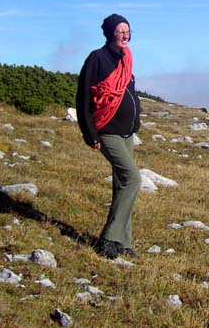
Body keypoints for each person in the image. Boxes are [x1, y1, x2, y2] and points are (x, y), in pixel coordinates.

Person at [76, 14, 142, 260]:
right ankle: (108, 238)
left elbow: (129, 91)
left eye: (127, 30)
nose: (125, 35)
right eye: (120, 30)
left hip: (126, 132)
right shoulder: (97, 58)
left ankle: (124, 242)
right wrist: (89, 132)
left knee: (122, 185)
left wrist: (137, 119)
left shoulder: (127, 58)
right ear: (109, 33)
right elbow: (83, 97)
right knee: (133, 179)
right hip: (107, 130)